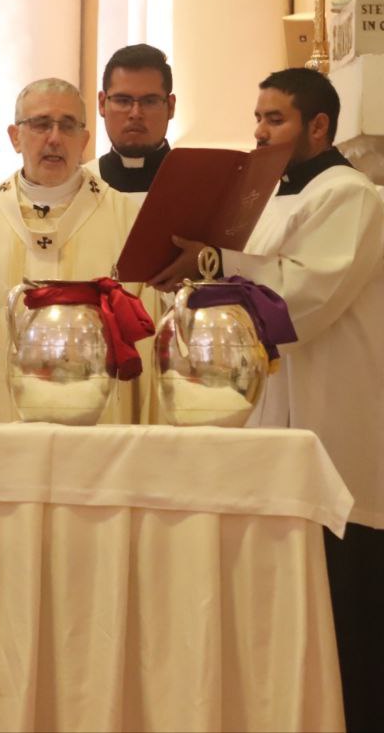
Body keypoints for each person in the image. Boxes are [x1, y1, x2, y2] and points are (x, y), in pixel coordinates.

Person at [150, 68, 384, 730]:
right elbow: (240, 291)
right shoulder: (271, 199)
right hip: (272, 422)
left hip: (334, 427)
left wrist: (215, 266)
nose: (259, 131)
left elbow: (304, 299)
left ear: (318, 126)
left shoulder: (352, 196)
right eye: (257, 116)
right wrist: (195, 274)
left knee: (346, 617)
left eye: (274, 118)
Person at [0, 78, 152, 423]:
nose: (54, 137)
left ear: (84, 140)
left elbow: (148, 339)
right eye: (40, 124)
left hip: (97, 426)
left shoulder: (126, 221)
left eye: (67, 126)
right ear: (15, 136)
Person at [83, 44, 177, 198]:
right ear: (101, 104)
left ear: (171, 107)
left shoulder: (201, 185)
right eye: (122, 100)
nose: (136, 113)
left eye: (150, 101)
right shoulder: (80, 186)